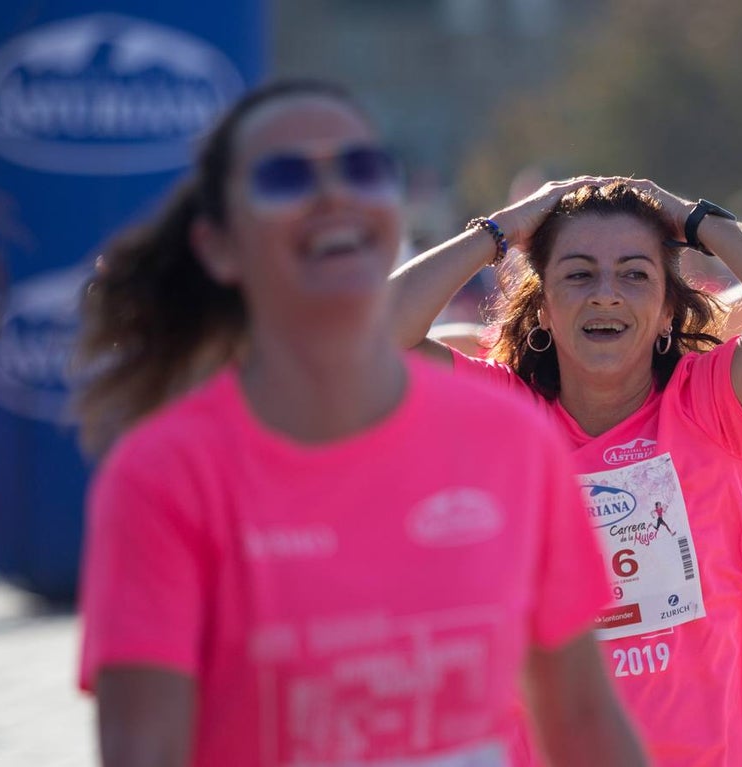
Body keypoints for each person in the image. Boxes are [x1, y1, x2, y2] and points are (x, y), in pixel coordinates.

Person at [74, 78, 647, 767]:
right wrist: (496, 232)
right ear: (219, 247)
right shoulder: (164, 474)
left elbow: (583, 721)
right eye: (286, 177)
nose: (334, 196)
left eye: (362, 169)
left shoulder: (513, 441)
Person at [391, 170, 742, 765]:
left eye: (635, 274)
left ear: (667, 311)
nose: (606, 294)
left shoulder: (715, 405)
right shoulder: (503, 419)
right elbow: (369, 339)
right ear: (543, 310)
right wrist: (499, 231)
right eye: (578, 274)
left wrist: (691, 218)